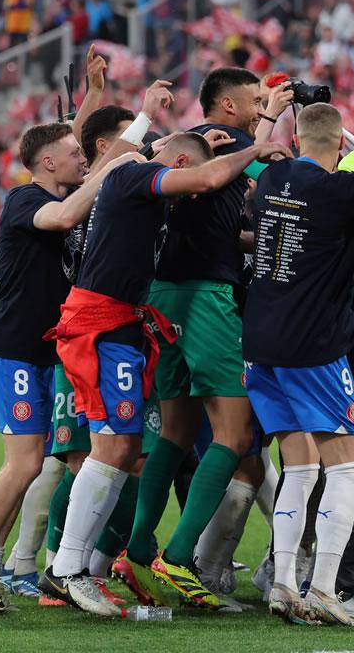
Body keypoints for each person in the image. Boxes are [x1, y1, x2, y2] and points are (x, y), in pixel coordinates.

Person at [41, 133, 291, 616]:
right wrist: (253, 150)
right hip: (105, 321)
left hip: (138, 313)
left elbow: (193, 165)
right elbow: (207, 174)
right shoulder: (133, 173)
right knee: (201, 438)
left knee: (138, 444)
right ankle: (79, 568)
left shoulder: (144, 184)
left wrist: (196, 137)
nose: (196, 195)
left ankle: (116, 560)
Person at [123, 67, 293, 608]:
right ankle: (176, 559)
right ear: (227, 105)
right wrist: (271, 123)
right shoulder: (238, 143)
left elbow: (217, 226)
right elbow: (252, 162)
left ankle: (136, 550)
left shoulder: (183, 148)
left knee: (175, 432)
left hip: (162, 295)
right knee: (236, 432)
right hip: (203, 300)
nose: (261, 103)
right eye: (254, 99)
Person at [0, 123, 141, 612]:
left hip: (47, 353)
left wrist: (141, 130)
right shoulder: (25, 199)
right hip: (11, 350)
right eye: (73, 153)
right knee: (25, 463)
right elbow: (62, 216)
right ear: (47, 163)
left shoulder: (68, 188)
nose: (84, 159)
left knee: (38, 463)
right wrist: (116, 165)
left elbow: (91, 171)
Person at [242, 103, 354, 626]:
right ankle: (324, 586)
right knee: (345, 467)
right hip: (313, 346)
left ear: (297, 141)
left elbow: (251, 160)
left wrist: (269, 121)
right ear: (339, 146)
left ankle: (282, 584)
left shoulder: (275, 175)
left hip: (259, 344)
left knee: (299, 468)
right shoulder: (346, 191)